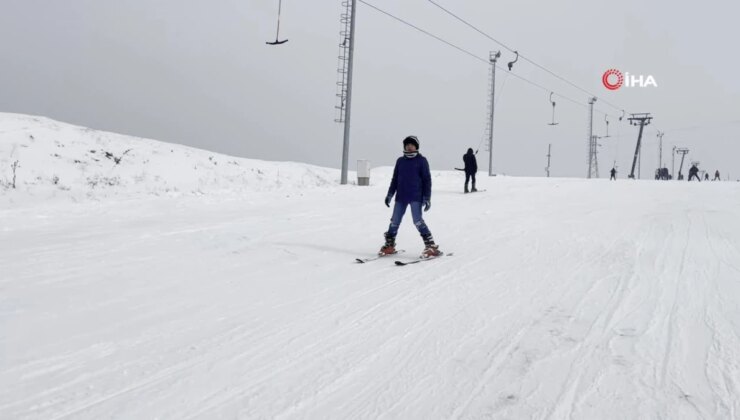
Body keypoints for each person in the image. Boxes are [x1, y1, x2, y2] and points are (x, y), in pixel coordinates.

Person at [380, 136, 441, 258]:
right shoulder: (400, 161)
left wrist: (427, 198)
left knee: (418, 221)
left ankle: (431, 246)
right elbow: (395, 179)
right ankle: (390, 245)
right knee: (394, 222)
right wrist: (390, 194)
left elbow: (426, 180)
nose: (409, 146)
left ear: (416, 146)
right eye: (407, 144)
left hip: (416, 196)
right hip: (401, 196)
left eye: (412, 144)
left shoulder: (422, 161)